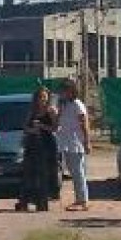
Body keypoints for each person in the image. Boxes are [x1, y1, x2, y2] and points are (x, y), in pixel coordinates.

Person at [17, 87, 58, 213]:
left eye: (45, 97)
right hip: (32, 144)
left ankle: (42, 203)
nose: (42, 100)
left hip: (46, 145)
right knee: (29, 174)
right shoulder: (32, 111)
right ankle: (25, 202)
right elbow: (25, 127)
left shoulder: (50, 111)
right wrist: (31, 130)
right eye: (40, 97)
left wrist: (42, 126)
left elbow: (55, 128)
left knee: (43, 175)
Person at [56, 78, 92, 212]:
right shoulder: (64, 105)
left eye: (64, 91)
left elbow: (84, 123)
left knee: (78, 172)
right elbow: (59, 122)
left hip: (76, 142)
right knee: (74, 171)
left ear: (70, 91)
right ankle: (80, 199)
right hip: (66, 142)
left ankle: (83, 200)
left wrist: (87, 141)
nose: (61, 93)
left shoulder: (77, 104)